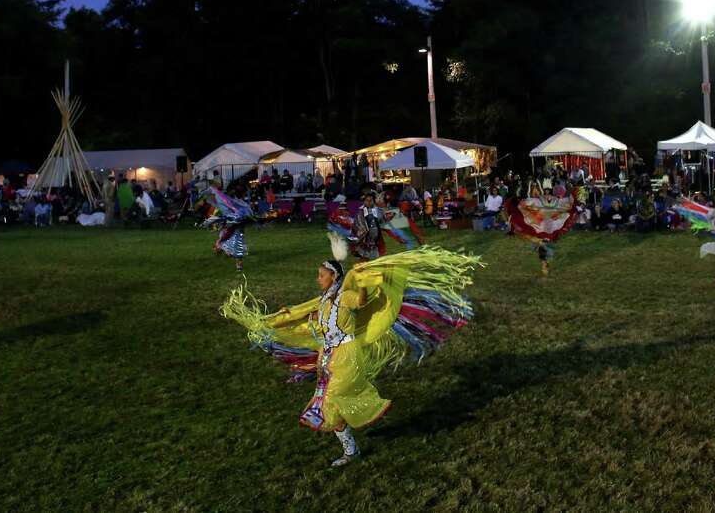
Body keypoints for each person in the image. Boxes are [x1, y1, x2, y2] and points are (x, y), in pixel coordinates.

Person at [220, 240, 481, 466]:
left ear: (333, 277)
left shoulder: (345, 297)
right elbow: (307, 318)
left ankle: (351, 446)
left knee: (331, 401)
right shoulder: (323, 301)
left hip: (347, 356)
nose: (317, 279)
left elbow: (361, 301)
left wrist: (363, 281)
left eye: (321, 275)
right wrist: (279, 325)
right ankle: (350, 444)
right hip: (329, 356)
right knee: (328, 401)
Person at [507, 181, 576, 276]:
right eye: (546, 191)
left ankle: (544, 262)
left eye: (548, 191)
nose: (547, 193)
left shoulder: (544, 200)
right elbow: (568, 203)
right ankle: (544, 263)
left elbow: (522, 204)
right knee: (541, 243)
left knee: (542, 243)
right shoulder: (545, 200)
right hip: (543, 225)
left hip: (546, 225)